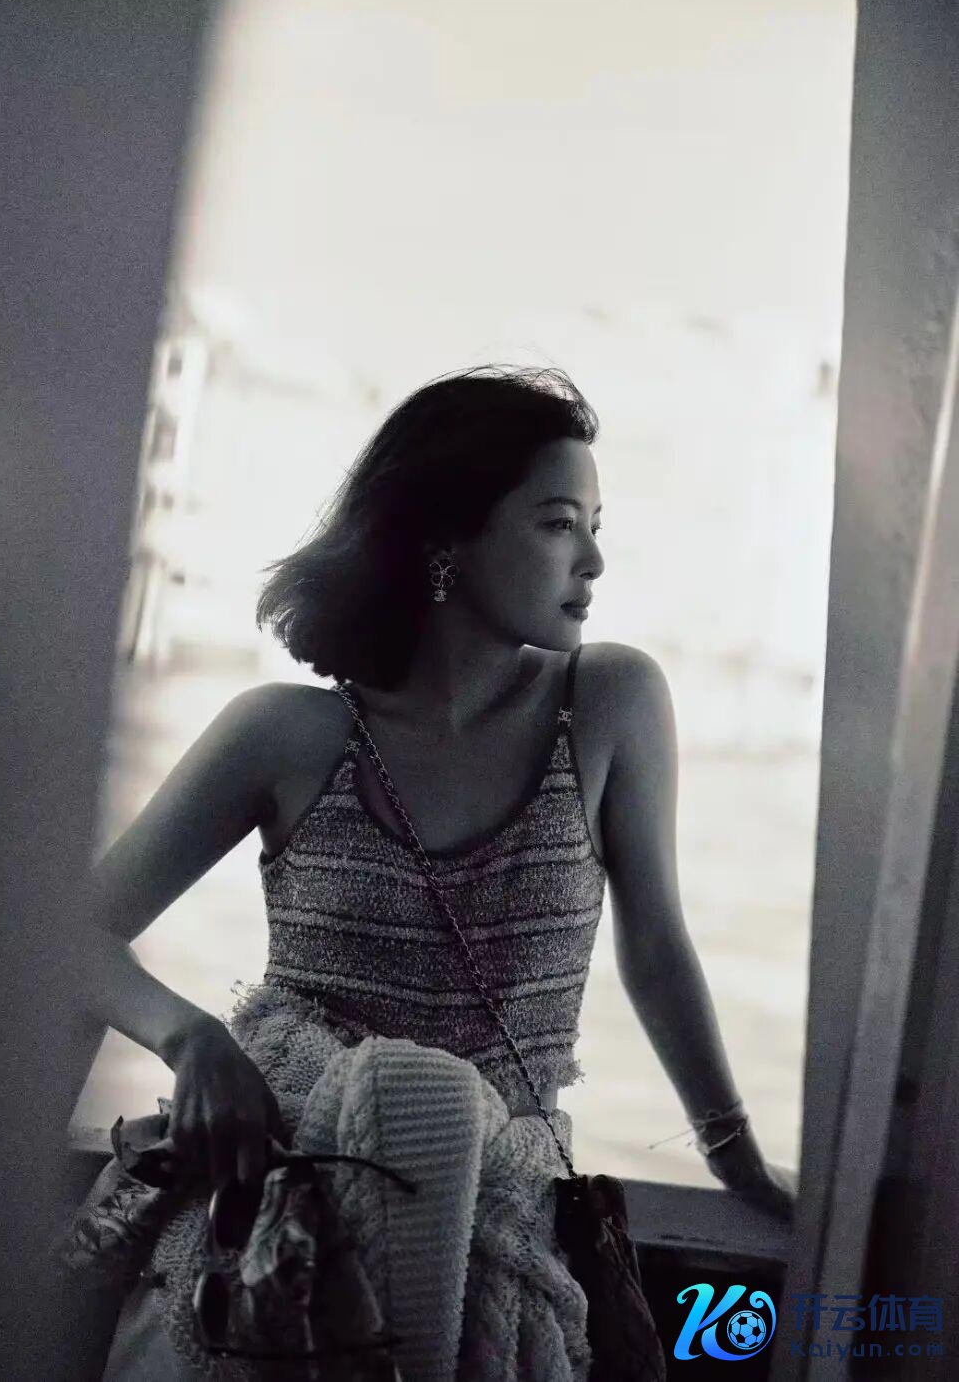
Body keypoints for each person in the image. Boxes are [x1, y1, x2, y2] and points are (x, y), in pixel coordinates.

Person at [81, 365, 795, 1370]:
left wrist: (733, 1154)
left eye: (595, 525)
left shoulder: (609, 703)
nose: (593, 559)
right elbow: (67, 932)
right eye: (558, 524)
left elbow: (658, 946)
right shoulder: (288, 733)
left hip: (495, 1231)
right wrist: (192, 1039)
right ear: (445, 537)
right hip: (278, 1215)